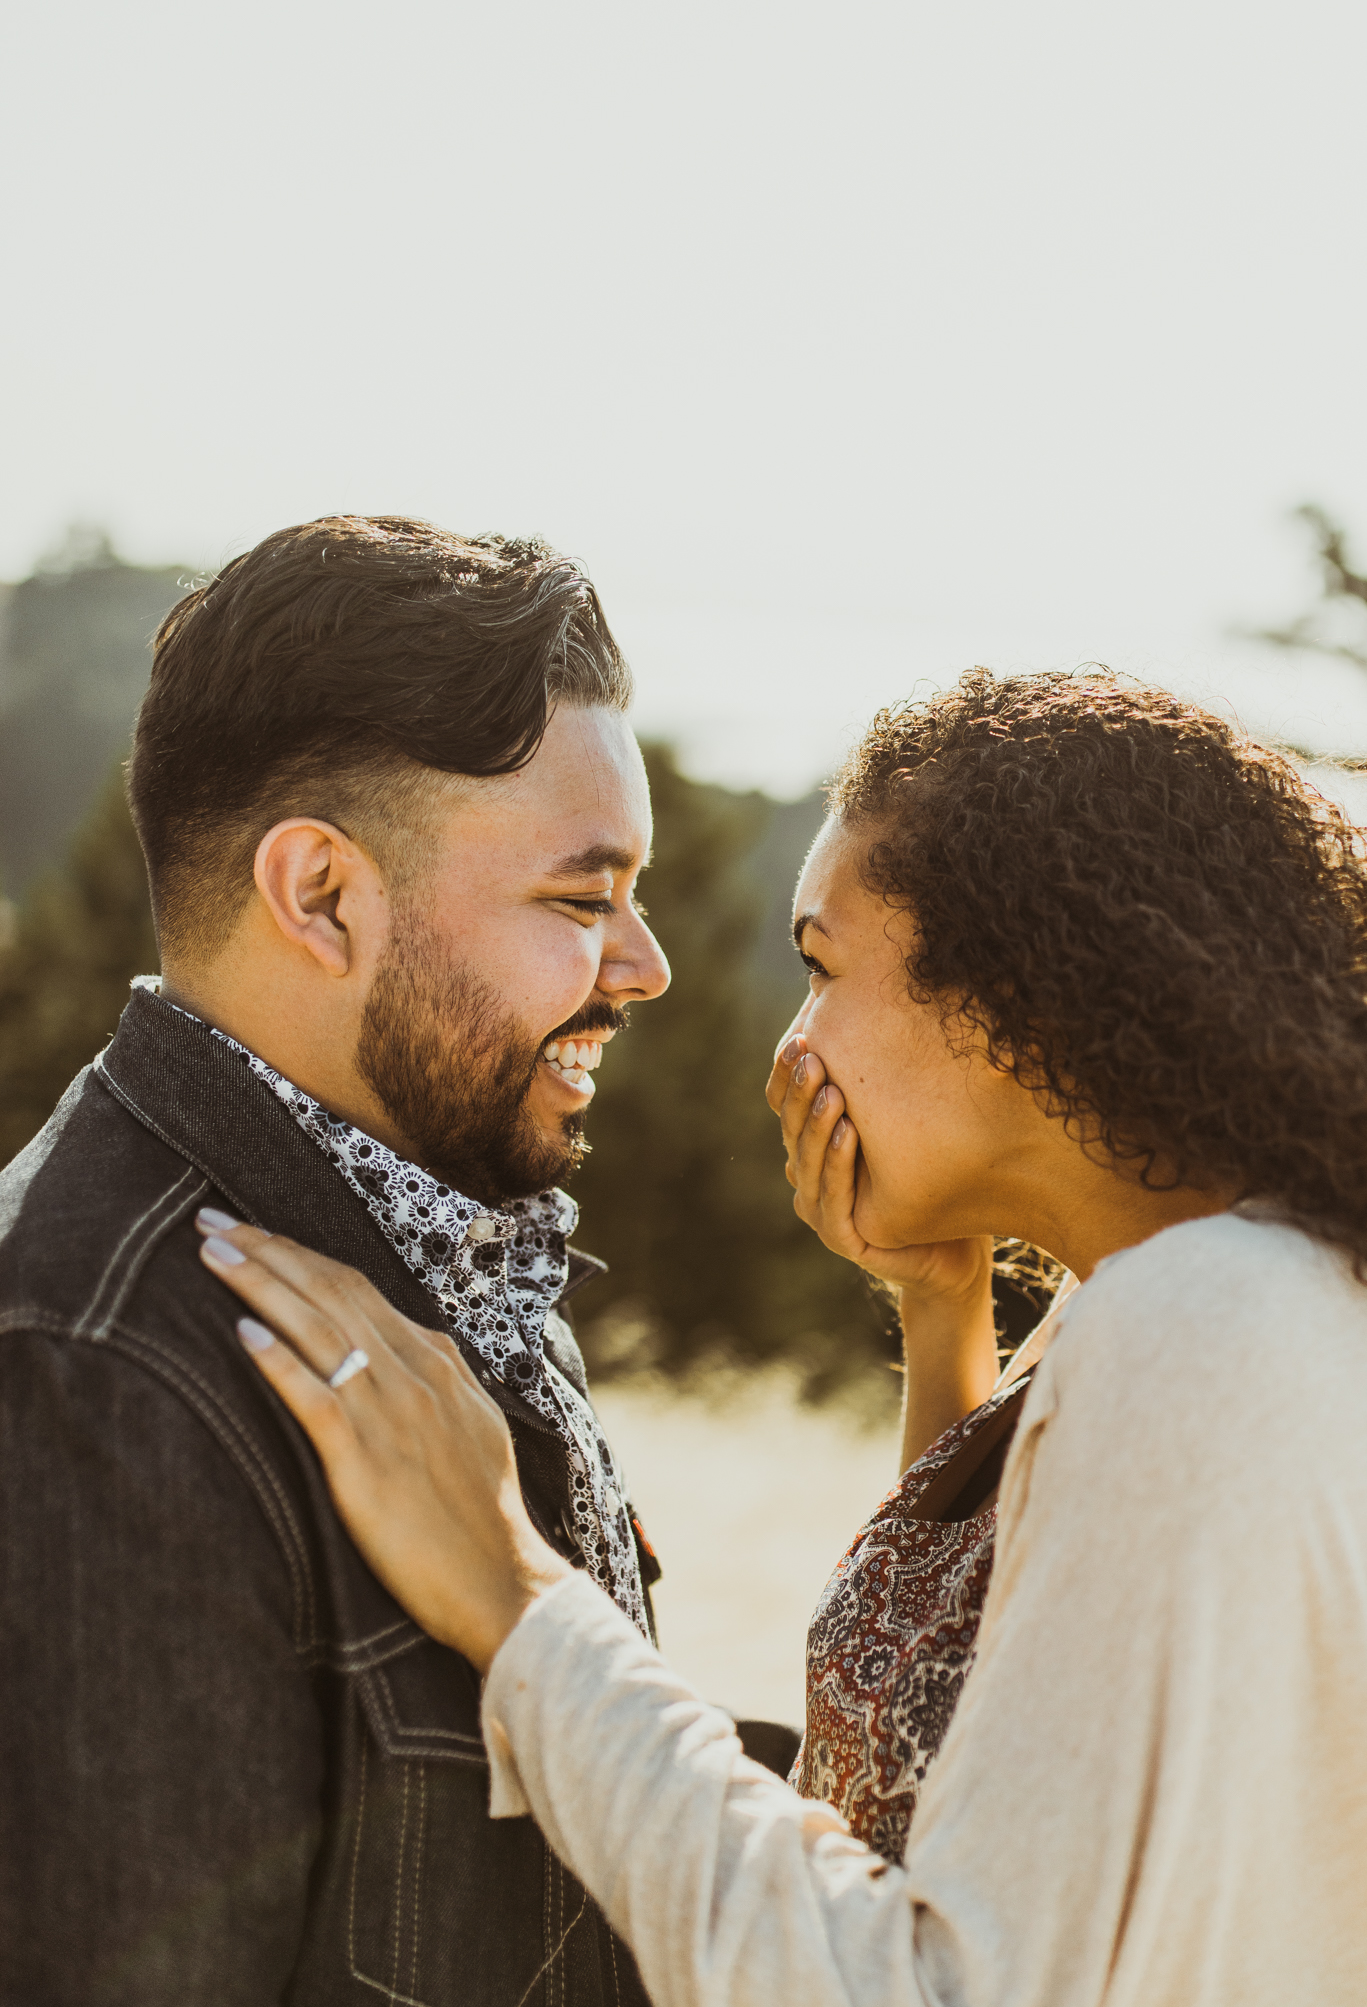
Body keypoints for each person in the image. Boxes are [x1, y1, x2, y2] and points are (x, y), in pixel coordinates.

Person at [206, 669, 1367, 2006]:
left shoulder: (1202, 1328)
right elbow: (968, 1757)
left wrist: (515, 1598)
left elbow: (927, 1984)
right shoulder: (1230, 1295)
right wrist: (943, 1310)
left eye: (821, 967)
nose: (793, 1039)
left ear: (1013, 997)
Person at [0, 516, 674, 2004]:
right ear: (320, 895)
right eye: (581, 899)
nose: (645, 964)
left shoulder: (437, 1229)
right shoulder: (93, 1376)